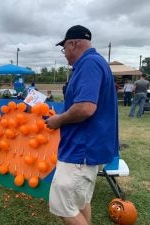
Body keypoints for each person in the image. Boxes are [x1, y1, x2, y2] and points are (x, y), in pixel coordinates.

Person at [45, 25, 119, 225]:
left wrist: (57, 120)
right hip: (88, 147)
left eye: (64, 49)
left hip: (81, 149)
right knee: (79, 202)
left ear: (73, 44)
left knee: (63, 205)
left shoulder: (88, 64)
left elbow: (86, 108)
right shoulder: (95, 63)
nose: (65, 55)